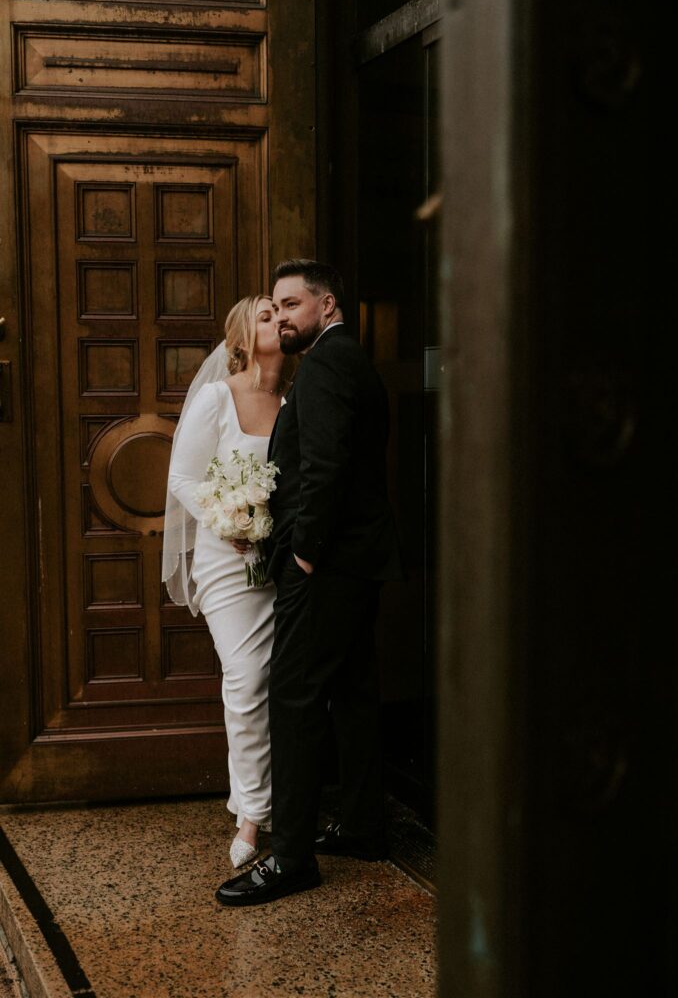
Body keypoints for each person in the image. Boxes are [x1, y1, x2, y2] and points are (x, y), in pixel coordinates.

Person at [215, 259, 402, 906]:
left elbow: (324, 466)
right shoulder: (352, 360)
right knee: (351, 688)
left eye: (292, 304)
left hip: (325, 563)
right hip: (360, 559)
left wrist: (305, 554)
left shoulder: (323, 365)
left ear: (327, 306)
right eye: (276, 306)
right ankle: (363, 824)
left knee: (292, 696)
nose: (284, 315)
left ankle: (290, 858)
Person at [163, 295, 293, 869]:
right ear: (242, 338)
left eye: (281, 314)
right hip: (226, 559)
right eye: (267, 315)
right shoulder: (218, 397)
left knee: (280, 681)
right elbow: (182, 477)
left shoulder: (292, 402)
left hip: (280, 561)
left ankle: (266, 804)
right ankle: (252, 814)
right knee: (246, 677)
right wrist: (229, 518)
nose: (279, 322)